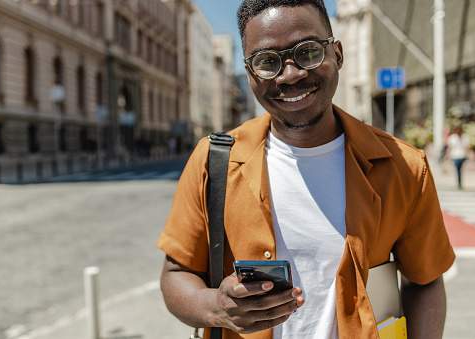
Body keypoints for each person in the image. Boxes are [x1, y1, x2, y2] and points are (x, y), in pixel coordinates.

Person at [157, 1, 455, 338]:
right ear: (250, 74)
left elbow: (425, 281)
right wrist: (216, 308)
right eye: (267, 62)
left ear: (338, 54)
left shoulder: (405, 166)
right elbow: (176, 273)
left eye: (308, 52)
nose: (291, 75)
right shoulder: (214, 160)